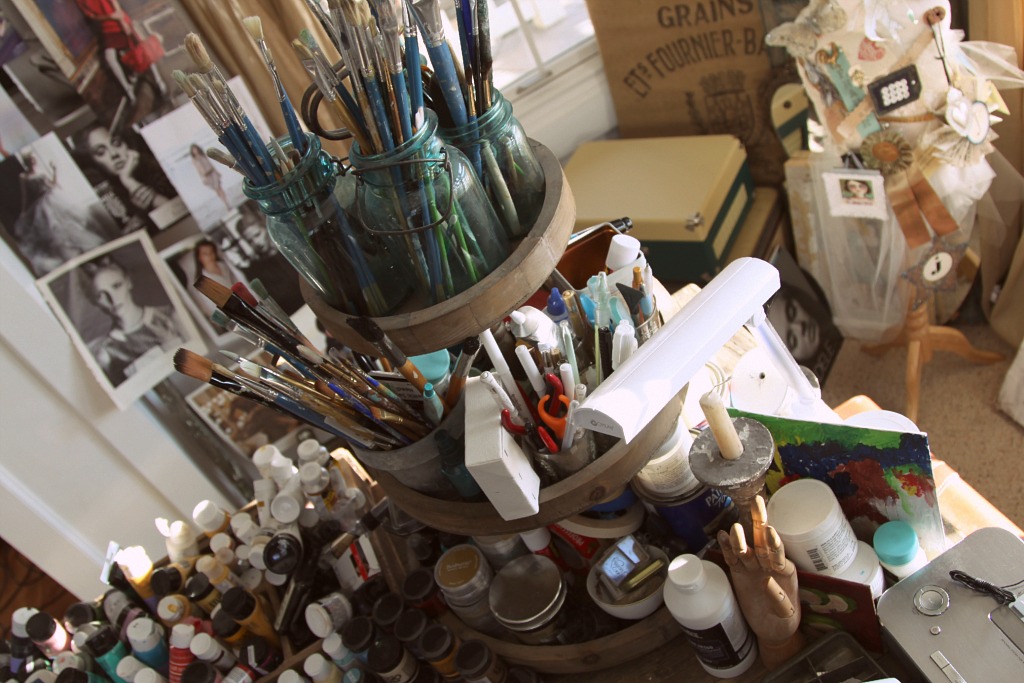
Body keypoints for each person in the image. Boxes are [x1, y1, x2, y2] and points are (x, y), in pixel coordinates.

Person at [84, 254, 185, 386]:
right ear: (94, 301)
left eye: (116, 286)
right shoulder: (105, 352)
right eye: (101, 295)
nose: (112, 299)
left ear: (128, 282)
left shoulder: (170, 316)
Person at [12, 151, 112, 275]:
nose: (33, 162)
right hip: (41, 204)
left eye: (33, 160)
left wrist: (54, 170)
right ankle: (71, 258)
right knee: (53, 232)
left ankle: (88, 252)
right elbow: (25, 195)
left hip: (52, 199)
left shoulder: (41, 173)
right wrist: (24, 211)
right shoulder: (23, 176)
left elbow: (53, 185)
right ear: (26, 163)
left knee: (69, 226)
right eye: (30, 161)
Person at [72, 123, 176, 231]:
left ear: (128, 144)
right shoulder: (101, 196)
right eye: (101, 152)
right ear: (92, 161)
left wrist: (129, 181)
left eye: (117, 144)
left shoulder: (154, 166)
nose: (114, 154)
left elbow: (178, 215)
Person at [74, 0, 167, 105]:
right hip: (107, 28)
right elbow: (92, 16)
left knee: (142, 49)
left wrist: (122, 21)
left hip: (120, 21)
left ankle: (159, 82)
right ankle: (128, 90)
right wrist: (110, 16)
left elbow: (114, 3)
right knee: (109, 58)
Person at [189, 238, 246, 318]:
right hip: (232, 313)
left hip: (243, 301)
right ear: (199, 257)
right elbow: (213, 307)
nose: (210, 256)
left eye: (211, 252)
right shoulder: (203, 282)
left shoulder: (223, 266)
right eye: (205, 254)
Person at [190, 143, 230, 209]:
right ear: (192, 152)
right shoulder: (194, 160)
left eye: (195, 149)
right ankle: (225, 203)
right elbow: (198, 171)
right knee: (217, 190)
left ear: (198, 149)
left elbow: (210, 164)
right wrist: (202, 179)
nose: (195, 151)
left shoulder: (203, 155)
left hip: (212, 173)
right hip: (207, 177)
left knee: (219, 188)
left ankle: (227, 203)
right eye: (193, 150)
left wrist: (217, 172)